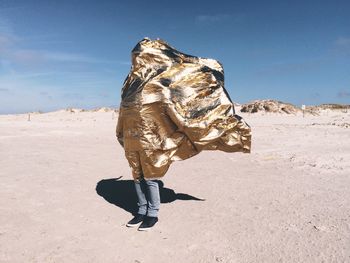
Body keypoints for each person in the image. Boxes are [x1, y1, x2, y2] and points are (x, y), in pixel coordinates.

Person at [116, 38, 251, 231]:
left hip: (151, 137)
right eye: (135, 55)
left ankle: (152, 213)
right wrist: (120, 130)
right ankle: (141, 210)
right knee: (136, 176)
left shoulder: (160, 78)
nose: (138, 58)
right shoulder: (131, 82)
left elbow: (177, 97)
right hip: (131, 136)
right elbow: (123, 108)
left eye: (141, 54)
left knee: (150, 177)